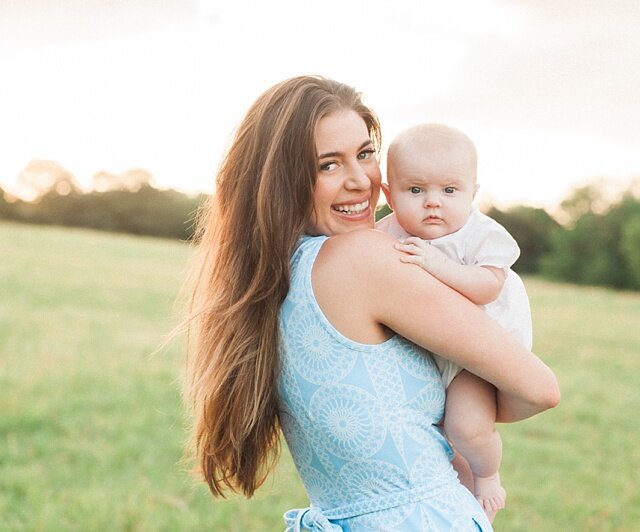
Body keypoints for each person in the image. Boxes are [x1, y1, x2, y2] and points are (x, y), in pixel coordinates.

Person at [182, 75, 560, 531]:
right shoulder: (363, 257)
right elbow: (540, 388)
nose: (361, 181)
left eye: (364, 154)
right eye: (328, 165)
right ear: (285, 180)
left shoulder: (268, 279)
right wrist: (469, 414)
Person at [377, 123, 532, 518]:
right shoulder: (386, 232)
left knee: (466, 425)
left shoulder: (480, 235)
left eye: (449, 191)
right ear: (388, 194)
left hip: (480, 352)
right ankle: (458, 504)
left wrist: (436, 264)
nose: (433, 203)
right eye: (416, 190)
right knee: (437, 437)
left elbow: (486, 287)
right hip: (430, 350)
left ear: (472, 193)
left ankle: (488, 476)